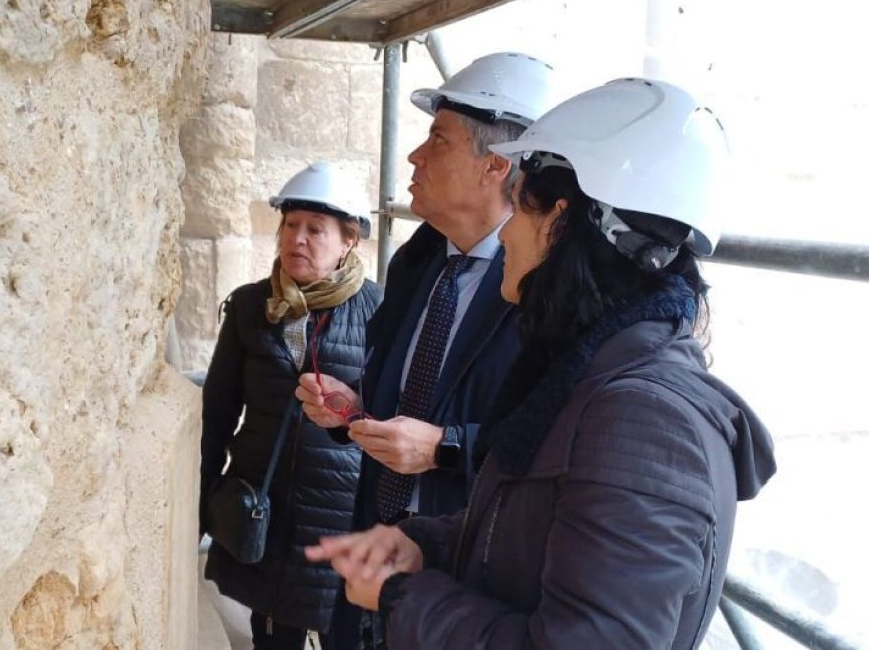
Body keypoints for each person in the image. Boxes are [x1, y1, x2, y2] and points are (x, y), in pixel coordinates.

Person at [305, 78, 778, 649]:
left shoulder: (644, 423)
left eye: (520, 207)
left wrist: (403, 594)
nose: (506, 236)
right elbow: (529, 531)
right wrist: (425, 545)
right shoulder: (588, 374)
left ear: (561, 220)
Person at [295, 52, 559, 649]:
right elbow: (398, 398)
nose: (414, 156)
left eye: (437, 140)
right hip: (374, 557)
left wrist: (447, 448)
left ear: (495, 165)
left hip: (462, 582)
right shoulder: (417, 262)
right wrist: (351, 410)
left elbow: (546, 441)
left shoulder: (543, 294)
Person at [200, 161, 383, 649]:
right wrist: (204, 501)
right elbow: (217, 415)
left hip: (339, 521)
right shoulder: (248, 307)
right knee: (271, 637)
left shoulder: (379, 312)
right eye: (290, 225)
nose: (297, 239)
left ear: (348, 242)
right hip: (265, 510)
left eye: (315, 230)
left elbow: (391, 414)